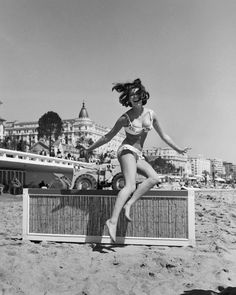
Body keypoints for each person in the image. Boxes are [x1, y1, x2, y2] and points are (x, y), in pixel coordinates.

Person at [81, 78, 190, 242]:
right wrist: (89, 149)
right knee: (130, 184)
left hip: (138, 154)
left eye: (136, 94)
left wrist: (178, 149)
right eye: (131, 95)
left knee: (154, 178)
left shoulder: (151, 114)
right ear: (128, 98)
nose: (134, 97)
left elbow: (164, 135)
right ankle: (112, 221)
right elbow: (107, 137)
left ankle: (129, 204)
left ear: (142, 95)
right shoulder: (125, 118)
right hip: (126, 150)